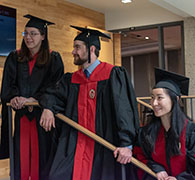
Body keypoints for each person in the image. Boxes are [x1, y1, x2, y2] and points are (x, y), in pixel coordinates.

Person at [39, 25, 140, 180]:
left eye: (77, 47)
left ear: (92, 49)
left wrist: (126, 143)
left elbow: (124, 111)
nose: (73, 52)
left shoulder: (112, 74)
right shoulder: (71, 79)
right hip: (75, 141)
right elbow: (53, 94)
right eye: (74, 47)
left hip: (104, 142)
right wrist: (48, 108)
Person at [0, 14, 64, 180]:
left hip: (42, 119)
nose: (28, 37)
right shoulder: (14, 57)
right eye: (25, 33)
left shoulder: (53, 59)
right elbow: (7, 87)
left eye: (33, 33)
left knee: (42, 159)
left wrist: (33, 100)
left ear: (43, 36)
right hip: (22, 118)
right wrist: (14, 97)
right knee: (20, 160)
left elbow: (55, 88)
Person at [133, 68, 195, 180]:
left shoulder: (190, 131)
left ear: (175, 99)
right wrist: (156, 168)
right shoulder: (147, 132)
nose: (154, 103)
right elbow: (139, 155)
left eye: (159, 98)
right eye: (152, 98)